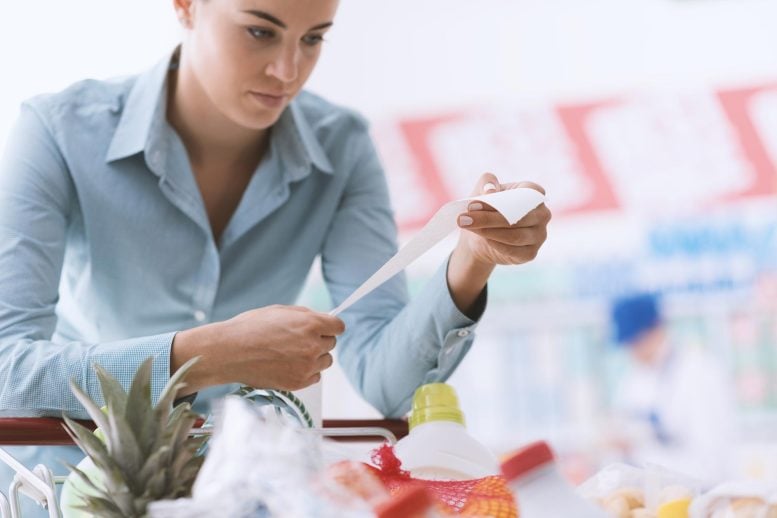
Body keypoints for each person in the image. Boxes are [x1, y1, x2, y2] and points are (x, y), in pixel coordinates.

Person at [0, 0, 551, 509]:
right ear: (187, 7)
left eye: (313, 39)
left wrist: (471, 261)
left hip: (247, 494)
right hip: (66, 494)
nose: (288, 70)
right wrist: (206, 354)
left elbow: (387, 384)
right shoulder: (57, 132)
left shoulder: (343, 147)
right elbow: (7, 364)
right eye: (260, 31)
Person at [608, 293, 737, 485]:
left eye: (636, 341)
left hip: (700, 496)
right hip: (655, 497)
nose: (632, 350)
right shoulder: (634, 379)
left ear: (656, 329)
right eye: (628, 344)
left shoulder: (699, 371)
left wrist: (641, 448)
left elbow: (712, 461)